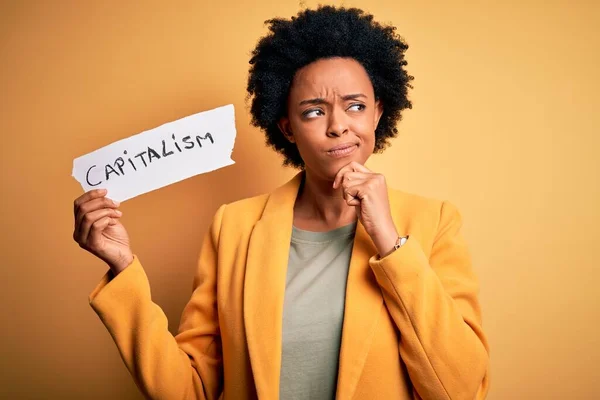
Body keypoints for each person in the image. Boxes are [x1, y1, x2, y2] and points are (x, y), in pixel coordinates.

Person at [73, 5, 489, 400]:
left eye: (356, 106)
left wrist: (390, 241)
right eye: (313, 112)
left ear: (378, 114)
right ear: (287, 128)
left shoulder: (433, 223)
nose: (338, 125)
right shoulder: (234, 228)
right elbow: (190, 389)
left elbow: (461, 388)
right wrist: (122, 267)